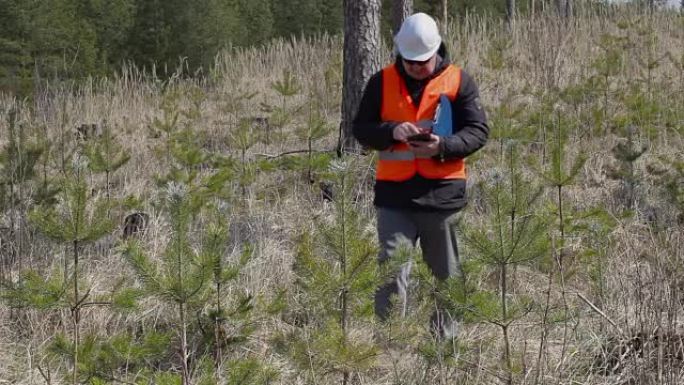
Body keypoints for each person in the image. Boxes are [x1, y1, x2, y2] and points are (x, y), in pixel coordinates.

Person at [352, 12, 489, 338]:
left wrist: (443, 145)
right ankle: (388, 347)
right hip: (394, 197)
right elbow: (360, 129)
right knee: (391, 274)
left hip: (443, 195)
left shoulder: (459, 81)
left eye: (422, 61)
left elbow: (478, 131)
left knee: (446, 275)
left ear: (436, 50)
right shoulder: (380, 82)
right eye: (409, 61)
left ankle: (444, 350)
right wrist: (391, 131)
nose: (415, 67)